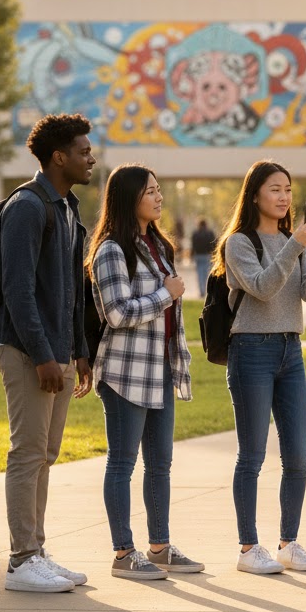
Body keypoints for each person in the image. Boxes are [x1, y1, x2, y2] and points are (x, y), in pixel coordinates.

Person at [0, 113, 96, 593]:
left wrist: (78, 351)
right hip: (24, 346)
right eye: (82, 150)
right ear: (59, 157)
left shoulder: (68, 208)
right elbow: (17, 290)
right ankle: (21, 560)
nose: (90, 157)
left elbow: (72, 288)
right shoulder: (27, 207)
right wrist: (41, 355)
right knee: (28, 451)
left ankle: (36, 548)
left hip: (55, 348)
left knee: (47, 453)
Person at [213, 159, 306, 575]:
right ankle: (249, 547)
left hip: (290, 350)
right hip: (251, 351)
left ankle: (289, 542)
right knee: (252, 455)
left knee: (297, 455)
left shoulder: (289, 239)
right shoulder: (239, 243)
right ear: (256, 194)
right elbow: (263, 288)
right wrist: (295, 245)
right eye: (275, 189)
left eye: (288, 189)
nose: (284, 197)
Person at [87, 165, 202, 581]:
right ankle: (123, 553)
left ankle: (159, 547)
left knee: (160, 464)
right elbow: (116, 313)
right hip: (124, 372)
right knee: (122, 462)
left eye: (159, 190)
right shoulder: (111, 250)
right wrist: (164, 294)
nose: (158, 197)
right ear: (128, 197)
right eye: (150, 191)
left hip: (159, 370)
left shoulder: (157, 245)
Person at [190, 218, 217, 297]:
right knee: (208, 273)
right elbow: (214, 245)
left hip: (198, 255)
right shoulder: (210, 233)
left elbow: (193, 245)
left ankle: (202, 291)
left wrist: (192, 255)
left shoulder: (195, 233)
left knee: (200, 273)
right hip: (208, 255)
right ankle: (208, 290)